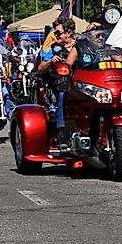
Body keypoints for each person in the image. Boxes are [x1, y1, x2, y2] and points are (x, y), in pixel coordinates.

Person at [36, 18, 79, 148]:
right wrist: (50, 61)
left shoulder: (81, 45)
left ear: (68, 32)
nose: (55, 35)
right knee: (62, 92)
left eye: (58, 33)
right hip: (61, 82)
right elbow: (40, 68)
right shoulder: (54, 48)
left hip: (82, 83)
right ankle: (62, 132)